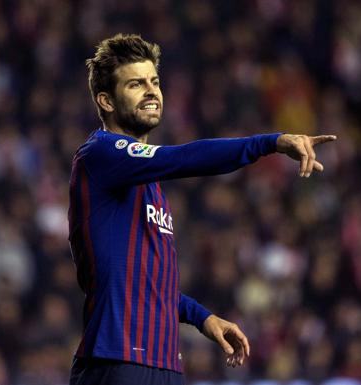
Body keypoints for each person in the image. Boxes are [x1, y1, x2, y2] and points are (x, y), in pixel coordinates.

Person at [68, 33, 336, 385]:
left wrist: (204, 319)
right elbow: (183, 158)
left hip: (163, 366)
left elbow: (146, 284)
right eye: (136, 84)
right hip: (115, 361)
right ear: (105, 101)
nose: (151, 91)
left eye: (155, 81)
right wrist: (269, 142)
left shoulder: (149, 186)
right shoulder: (100, 154)